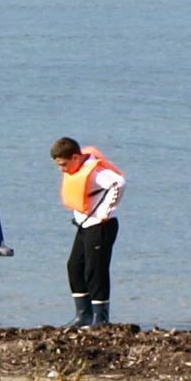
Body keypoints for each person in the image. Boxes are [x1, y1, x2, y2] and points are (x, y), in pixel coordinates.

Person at [51, 136, 124, 325]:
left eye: (63, 164)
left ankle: (101, 319)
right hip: (84, 226)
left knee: (95, 270)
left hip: (101, 227)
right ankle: (83, 315)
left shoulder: (96, 172)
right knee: (74, 267)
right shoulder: (77, 168)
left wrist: (105, 212)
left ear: (76, 158)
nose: (61, 169)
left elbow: (118, 183)